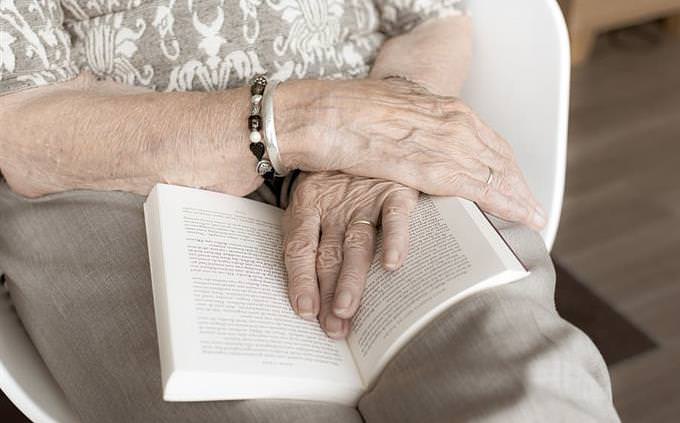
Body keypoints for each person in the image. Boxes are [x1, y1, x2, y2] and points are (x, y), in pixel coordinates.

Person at [0, 0, 619, 421]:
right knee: (253, 405)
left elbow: (430, 19)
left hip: (370, 134)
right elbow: (25, 125)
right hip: (120, 166)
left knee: (521, 377)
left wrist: (364, 137)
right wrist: (312, 121)